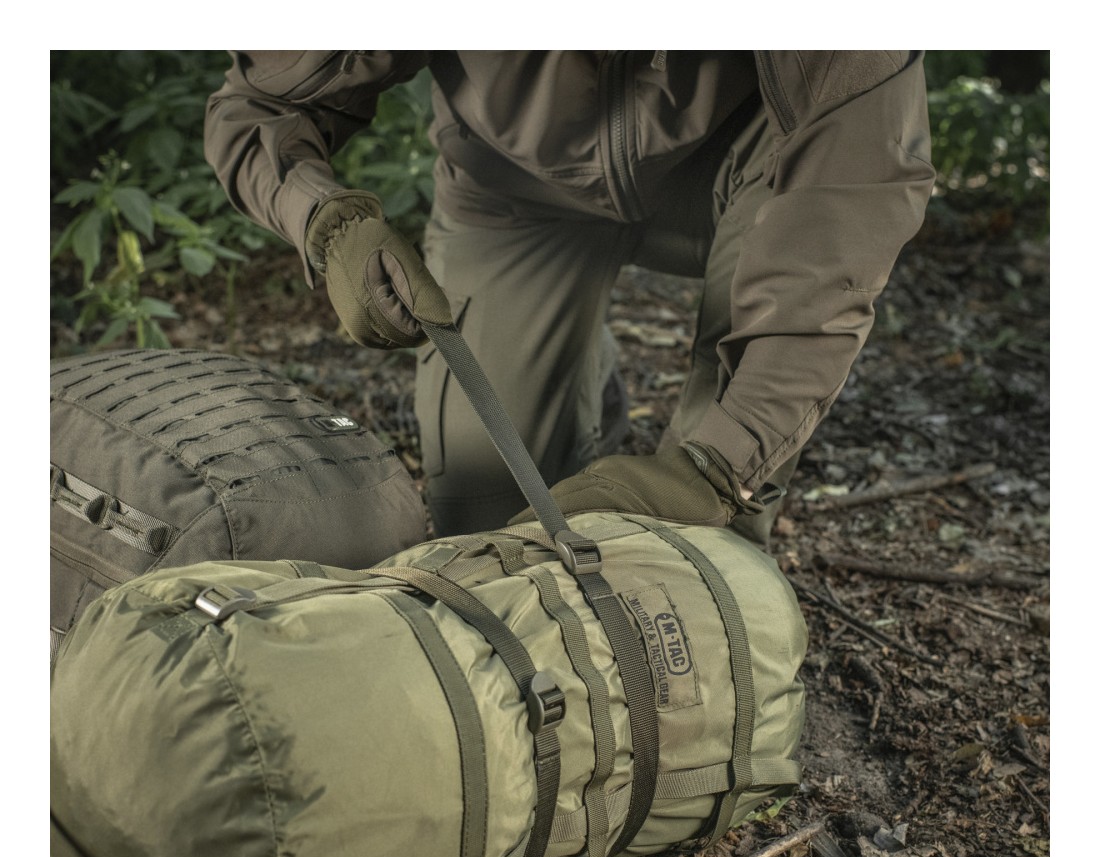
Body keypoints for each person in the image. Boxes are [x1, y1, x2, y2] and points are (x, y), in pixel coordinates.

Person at [205, 51, 935, 541]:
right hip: (513, 187)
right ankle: (579, 391)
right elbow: (260, 103)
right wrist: (328, 223)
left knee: (699, 537)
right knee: (486, 524)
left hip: (755, 169)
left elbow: (849, 204)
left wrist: (723, 464)